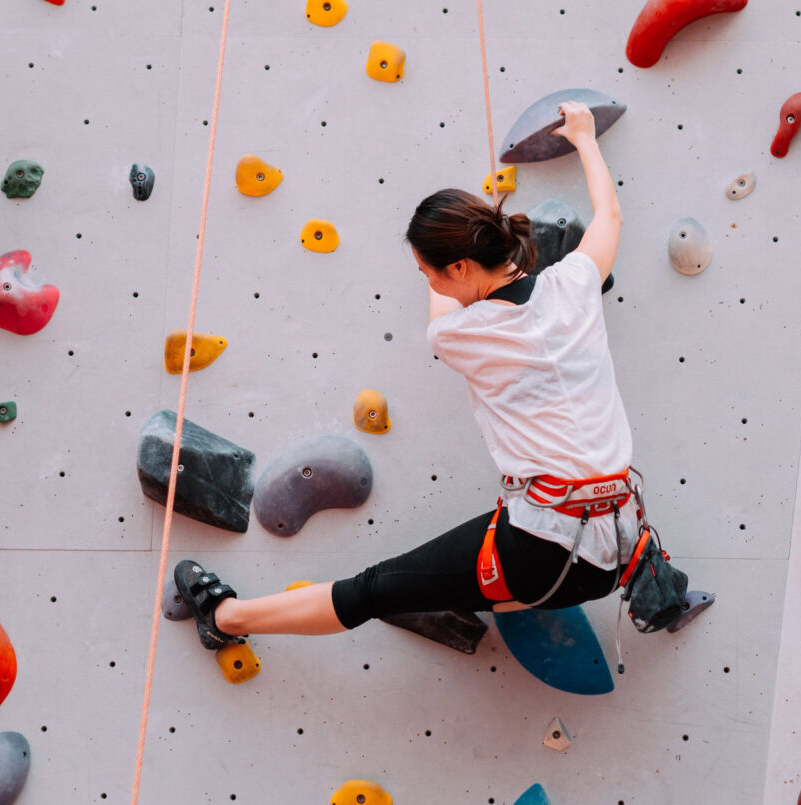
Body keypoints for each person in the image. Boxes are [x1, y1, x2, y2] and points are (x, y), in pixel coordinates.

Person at [174, 100, 641, 649]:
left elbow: (446, 305)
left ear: (460, 267)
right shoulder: (576, 285)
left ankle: (224, 619)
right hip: (620, 542)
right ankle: (461, 599)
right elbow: (610, 217)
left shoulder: (460, 335)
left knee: (372, 590)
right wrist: (585, 136)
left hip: (544, 555)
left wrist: (450, 250)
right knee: (456, 576)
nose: (429, 281)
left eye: (428, 271)